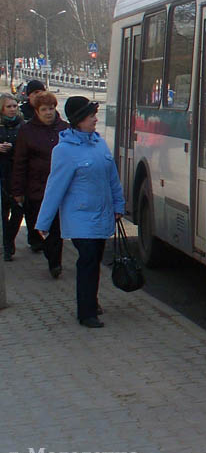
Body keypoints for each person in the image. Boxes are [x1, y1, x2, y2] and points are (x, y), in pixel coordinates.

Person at [36, 97, 125, 329]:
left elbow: (112, 178)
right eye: (90, 116)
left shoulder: (99, 143)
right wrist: (43, 222)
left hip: (102, 215)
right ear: (78, 121)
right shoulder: (64, 151)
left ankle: (91, 301)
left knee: (95, 260)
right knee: (86, 260)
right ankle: (85, 313)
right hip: (80, 217)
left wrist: (118, 205)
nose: (96, 119)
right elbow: (54, 188)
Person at [11, 90, 70, 278]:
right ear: (36, 111)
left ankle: (55, 263)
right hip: (37, 188)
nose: (48, 112)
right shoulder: (27, 131)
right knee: (44, 227)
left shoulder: (65, 129)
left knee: (58, 228)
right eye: (44, 109)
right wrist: (18, 190)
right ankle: (50, 254)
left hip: (62, 188)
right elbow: (19, 162)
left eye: (51, 108)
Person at [1, 93, 26, 260]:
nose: (12, 109)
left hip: (18, 174)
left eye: (14, 106)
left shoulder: (23, 125)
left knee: (18, 210)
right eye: (8, 106)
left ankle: (8, 240)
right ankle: (7, 246)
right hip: (2, 173)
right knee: (3, 212)